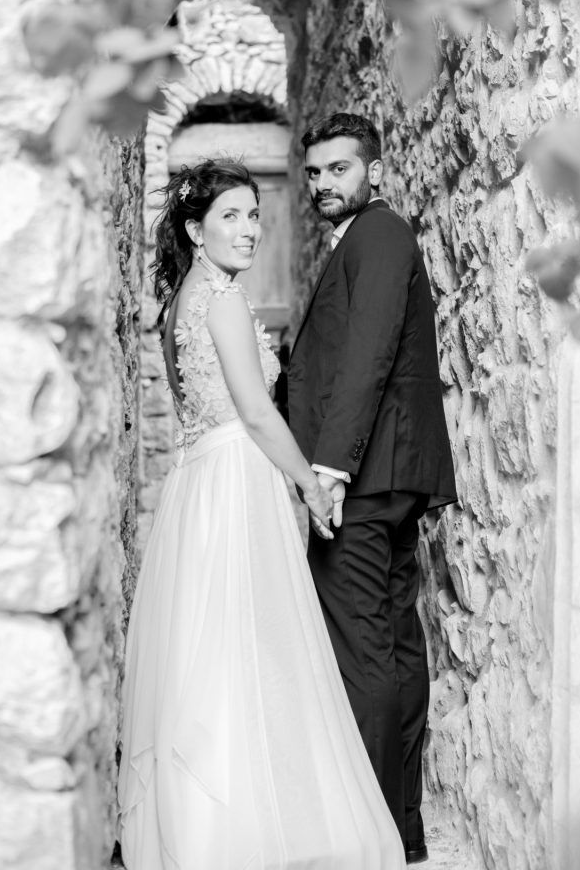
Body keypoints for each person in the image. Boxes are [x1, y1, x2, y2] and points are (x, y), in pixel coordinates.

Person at [117, 158, 406, 870]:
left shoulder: (182, 300)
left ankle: (199, 822)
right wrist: (308, 484)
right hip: (236, 480)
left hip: (197, 482)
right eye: (232, 217)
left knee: (210, 647)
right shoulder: (218, 300)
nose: (250, 230)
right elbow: (252, 411)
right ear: (194, 228)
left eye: (255, 214)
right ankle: (246, 827)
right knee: (252, 647)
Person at [287, 114, 458, 866]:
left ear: (375, 172)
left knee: (362, 653)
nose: (324, 184)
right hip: (387, 475)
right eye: (316, 172)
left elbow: (365, 356)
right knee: (390, 646)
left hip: (363, 479)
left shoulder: (379, 236)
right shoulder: (362, 239)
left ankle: (370, 834)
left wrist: (329, 469)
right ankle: (398, 830)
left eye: (339, 170)